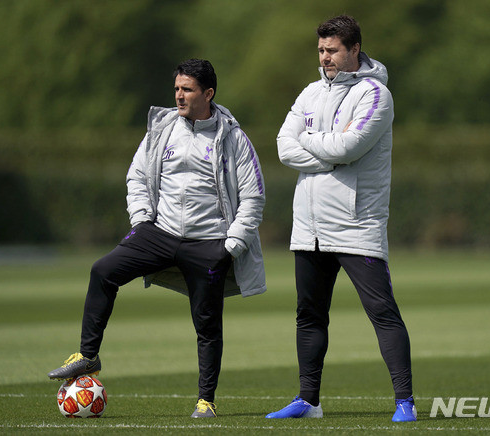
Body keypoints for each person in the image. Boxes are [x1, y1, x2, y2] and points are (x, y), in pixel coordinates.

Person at [47, 58, 266, 419]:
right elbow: (136, 177)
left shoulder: (234, 137)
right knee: (103, 270)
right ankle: (88, 355)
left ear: (208, 93)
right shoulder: (162, 128)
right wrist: (141, 221)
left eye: (187, 89)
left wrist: (230, 245)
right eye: (177, 88)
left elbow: (253, 196)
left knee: (207, 323)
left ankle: (206, 400)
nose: (179, 95)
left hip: (209, 243)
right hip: (158, 233)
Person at [265, 15, 416, 422]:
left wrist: (314, 146)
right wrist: (328, 154)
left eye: (332, 50)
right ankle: (308, 400)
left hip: (356, 226)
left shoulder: (376, 95)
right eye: (320, 50)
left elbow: (350, 147)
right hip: (309, 227)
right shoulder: (310, 92)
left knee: (383, 313)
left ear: (353, 50)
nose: (325, 57)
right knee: (309, 315)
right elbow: (283, 148)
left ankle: (405, 402)